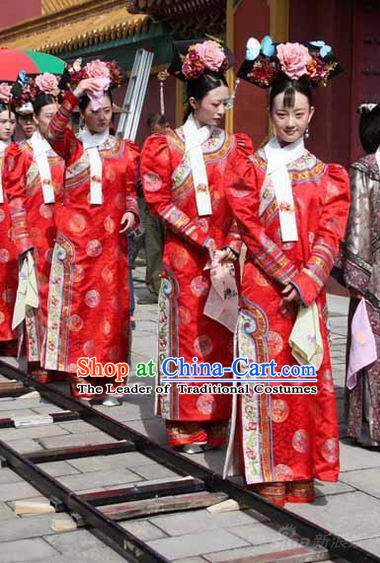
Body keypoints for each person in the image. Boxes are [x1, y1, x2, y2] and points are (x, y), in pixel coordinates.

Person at [224, 37, 350, 506]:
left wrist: (309, 280)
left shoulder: (327, 175)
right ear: (269, 114)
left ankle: (302, 472)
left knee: (301, 379)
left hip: (307, 290)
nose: (290, 123)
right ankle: (264, 472)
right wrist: (285, 275)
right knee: (262, 377)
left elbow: (330, 233)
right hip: (262, 287)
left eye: (298, 115)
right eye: (281, 114)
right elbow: (249, 228)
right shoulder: (249, 168)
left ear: (311, 116)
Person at [141, 39, 250, 452]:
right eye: (216, 103)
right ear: (194, 103)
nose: (223, 111)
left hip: (223, 258)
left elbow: (244, 198)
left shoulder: (234, 145)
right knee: (186, 338)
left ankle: (219, 417)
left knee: (220, 336)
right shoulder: (166, 145)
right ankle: (185, 422)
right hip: (184, 259)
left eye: (226, 103)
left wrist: (234, 239)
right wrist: (200, 236)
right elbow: (157, 200)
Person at [44, 59, 140, 404]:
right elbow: (52, 130)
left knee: (111, 316)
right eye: (96, 110)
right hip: (77, 245)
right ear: (83, 113)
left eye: (108, 110)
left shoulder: (125, 150)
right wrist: (74, 93)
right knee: (81, 312)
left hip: (112, 247)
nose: (103, 117)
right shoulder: (71, 146)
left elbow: (131, 190)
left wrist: (132, 211)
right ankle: (82, 381)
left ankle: (110, 383)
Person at [337, 100, 380, 446]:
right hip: (377, 264)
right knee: (375, 341)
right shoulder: (366, 169)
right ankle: (375, 427)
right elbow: (356, 222)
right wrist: (358, 274)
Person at [4, 74, 65, 381]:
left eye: (58, 116)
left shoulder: (69, 149)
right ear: (37, 119)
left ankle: (62, 357)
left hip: (65, 232)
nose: (54, 122)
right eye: (48, 117)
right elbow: (14, 197)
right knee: (36, 295)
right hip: (35, 233)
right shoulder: (21, 153)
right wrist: (22, 236)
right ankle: (39, 359)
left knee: (63, 295)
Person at [137, 113, 168, 304]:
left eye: (155, 128)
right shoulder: (147, 148)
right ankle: (155, 289)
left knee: (167, 249)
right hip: (151, 207)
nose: (152, 133)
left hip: (168, 208)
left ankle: (167, 287)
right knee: (153, 249)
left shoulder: (174, 146)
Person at [0, 83, 18, 354]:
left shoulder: (18, 151)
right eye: (3, 120)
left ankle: (9, 333)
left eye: (11, 121)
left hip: (11, 217)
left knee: (10, 275)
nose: (8, 126)